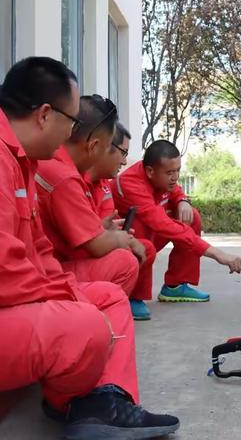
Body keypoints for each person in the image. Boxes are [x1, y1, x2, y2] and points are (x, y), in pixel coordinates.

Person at [0, 57, 179, 439]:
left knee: (109, 297)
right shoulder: (12, 161)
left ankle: (105, 402)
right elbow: (6, 267)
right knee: (86, 325)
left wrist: (64, 289)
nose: (71, 133)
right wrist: (63, 296)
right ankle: (75, 400)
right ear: (46, 115)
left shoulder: (24, 163)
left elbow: (39, 250)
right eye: (71, 120)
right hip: (9, 300)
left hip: (19, 297)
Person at [35, 96, 152, 319]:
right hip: (45, 272)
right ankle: (91, 322)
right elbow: (97, 246)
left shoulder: (59, 167)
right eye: (113, 149)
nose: (123, 161)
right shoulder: (64, 176)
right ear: (95, 145)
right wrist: (122, 239)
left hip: (47, 264)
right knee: (124, 261)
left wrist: (100, 229)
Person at [111, 139, 241, 302]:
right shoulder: (131, 183)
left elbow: (175, 190)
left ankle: (175, 285)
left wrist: (183, 200)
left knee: (191, 216)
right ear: (150, 171)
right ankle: (133, 296)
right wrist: (218, 254)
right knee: (142, 225)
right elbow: (162, 224)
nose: (175, 177)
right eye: (170, 173)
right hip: (127, 240)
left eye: (178, 171)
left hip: (147, 233)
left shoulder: (160, 176)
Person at [86, 122, 157, 320]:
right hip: (80, 254)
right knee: (125, 257)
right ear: (99, 146)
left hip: (97, 243)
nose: (125, 162)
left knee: (143, 247)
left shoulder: (103, 184)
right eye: (123, 153)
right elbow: (87, 240)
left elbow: (111, 220)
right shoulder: (68, 180)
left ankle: (129, 299)